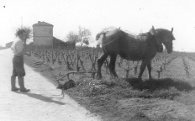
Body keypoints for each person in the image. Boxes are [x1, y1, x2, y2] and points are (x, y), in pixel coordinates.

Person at [11, 28, 30, 92]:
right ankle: (22, 88)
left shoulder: (15, 40)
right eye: (23, 34)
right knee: (20, 73)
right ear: (20, 34)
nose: (24, 36)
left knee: (14, 73)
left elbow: (12, 48)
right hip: (19, 58)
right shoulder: (19, 41)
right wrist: (26, 53)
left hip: (15, 58)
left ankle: (13, 88)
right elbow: (20, 52)